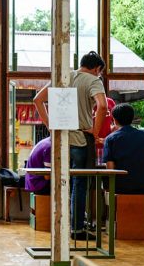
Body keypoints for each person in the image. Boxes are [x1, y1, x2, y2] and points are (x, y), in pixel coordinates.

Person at [34, 51, 107, 237]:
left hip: (59, 141)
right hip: (80, 140)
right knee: (79, 183)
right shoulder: (93, 81)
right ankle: (77, 228)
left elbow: (38, 100)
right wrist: (95, 131)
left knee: (61, 182)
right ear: (97, 68)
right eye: (99, 72)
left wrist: (50, 125)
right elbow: (103, 106)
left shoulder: (64, 77)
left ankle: (61, 227)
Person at [102, 103, 144, 195]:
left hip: (121, 187)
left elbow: (110, 169)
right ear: (132, 118)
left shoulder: (110, 139)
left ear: (114, 120)